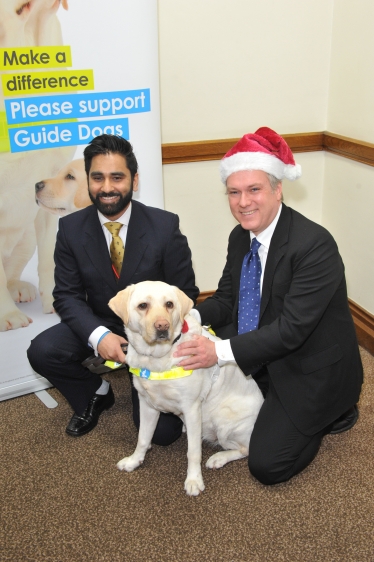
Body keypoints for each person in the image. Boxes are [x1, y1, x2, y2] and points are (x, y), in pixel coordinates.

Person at [174, 127, 363, 485]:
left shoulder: (314, 246)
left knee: (268, 465)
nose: (243, 202)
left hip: (307, 363)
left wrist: (219, 351)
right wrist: (189, 317)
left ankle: (335, 413)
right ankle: (261, 387)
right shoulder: (239, 235)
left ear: (278, 189)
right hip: (259, 340)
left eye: (254, 189)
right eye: (234, 192)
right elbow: (229, 299)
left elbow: (292, 330)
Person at [28, 134, 199, 440]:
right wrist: (100, 336)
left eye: (117, 177)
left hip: (151, 332)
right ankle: (95, 393)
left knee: (162, 435)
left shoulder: (164, 226)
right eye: (97, 177)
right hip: (99, 319)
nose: (106, 187)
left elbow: (186, 294)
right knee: (43, 351)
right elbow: (66, 295)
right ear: (89, 181)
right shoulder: (70, 228)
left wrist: (149, 338)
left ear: (134, 181)